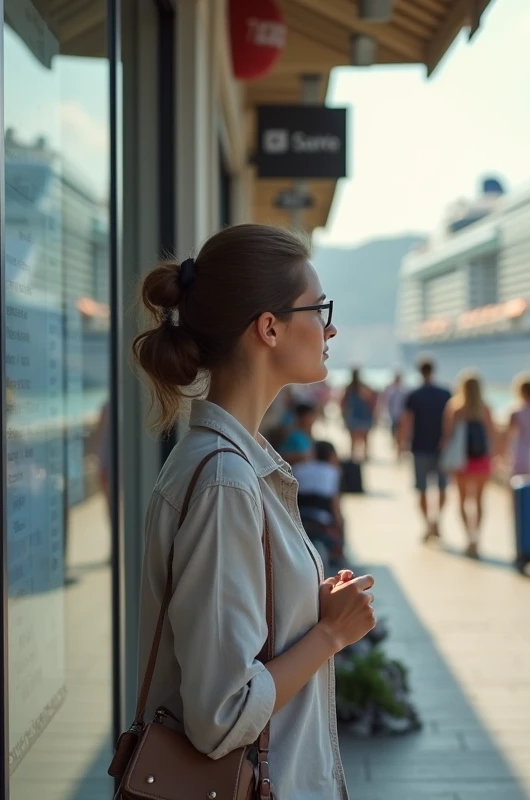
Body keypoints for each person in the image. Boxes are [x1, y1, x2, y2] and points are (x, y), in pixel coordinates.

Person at [129, 223, 375, 799]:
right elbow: (220, 716)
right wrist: (329, 634)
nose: (329, 325)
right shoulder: (227, 481)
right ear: (269, 328)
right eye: (318, 308)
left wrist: (301, 611)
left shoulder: (233, 465)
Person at [398, 357, 452, 543]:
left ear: (420, 371)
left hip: (419, 447)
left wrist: (400, 445)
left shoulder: (414, 395)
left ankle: (428, 525)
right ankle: (436, 520)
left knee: (421, 489)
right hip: (442, 448)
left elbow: (406, 422)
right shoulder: (445, 393)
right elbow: (452, 422)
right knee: (443, 487)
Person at [443, 371, 496, 558]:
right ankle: (477, 537)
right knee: (480, 501)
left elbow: (448, 435)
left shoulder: (456, 407)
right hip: (481, 461)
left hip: (462, 461)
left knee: (463, 500)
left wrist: (443, 456)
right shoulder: (485, 408)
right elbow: (492, 434)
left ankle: (468, 537)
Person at [294, 440, 346, 573]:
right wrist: (340, 525)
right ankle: (338, 557)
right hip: (322, 520)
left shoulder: (298, 469)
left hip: (299, 519)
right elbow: (335, 504)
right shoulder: (333, 472)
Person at [340, 367, 376, 462]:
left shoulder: (349, 388)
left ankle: (354, 456)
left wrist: (343, 416)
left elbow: (343, 404)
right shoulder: (363, 387)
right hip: (363, 415)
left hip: (354, 415)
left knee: (353, 439)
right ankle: (364, 456)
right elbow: (371, 402)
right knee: (364, 438)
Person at [380, 371, 408, 457]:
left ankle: (398, 450)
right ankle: (398, 450)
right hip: (396, 416)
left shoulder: (395, 390)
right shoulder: (401, 390)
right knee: (397, 435)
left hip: (397, 416)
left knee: (398, 434)